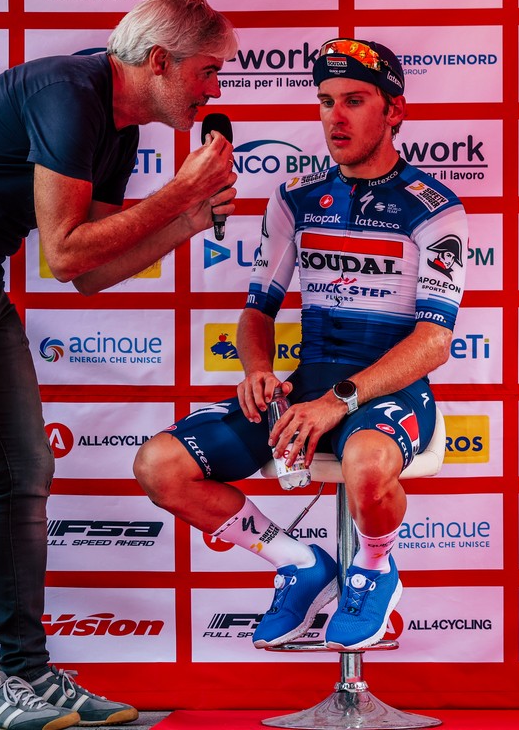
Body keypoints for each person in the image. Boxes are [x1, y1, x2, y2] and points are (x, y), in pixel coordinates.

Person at [0, 0, 238, 730]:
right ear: (159, 61)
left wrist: (189, 219)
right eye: (208, 71)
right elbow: (66, 251)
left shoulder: (121, 126)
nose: (215, 91)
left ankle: (27, 674)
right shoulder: (68, 90)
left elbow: (88, 273)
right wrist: (177, 193)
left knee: (26, 469)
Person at [134, 37, 468, 652]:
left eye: (355, 101)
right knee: (160, 466)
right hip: (309, 383)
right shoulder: (296, 197)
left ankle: (373, 568)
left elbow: (433, 342)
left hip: (387, 390)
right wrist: (258, 370)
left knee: (367, 465)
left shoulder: (434, 209)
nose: (335, 117)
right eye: (325, 101)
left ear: (394, 110)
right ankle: (299, 562)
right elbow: (257, 311)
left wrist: (339, 400)